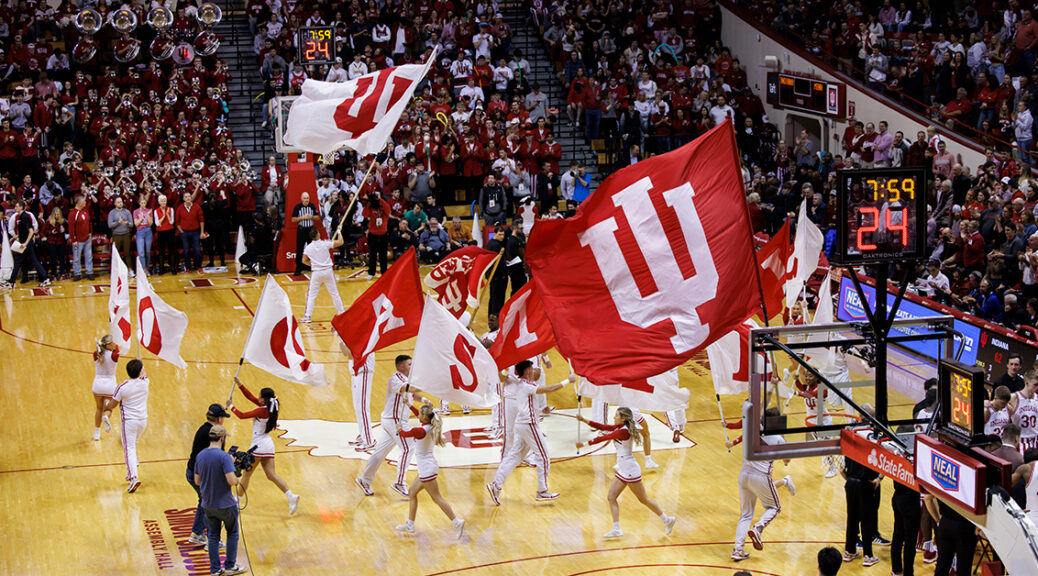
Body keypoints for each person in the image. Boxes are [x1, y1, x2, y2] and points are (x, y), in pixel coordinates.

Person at [575, 407, 677, 538]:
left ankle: (667, 520)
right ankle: (616, 528)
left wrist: (583, 444)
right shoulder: (620, 427)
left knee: (643, 499)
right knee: (611, 497)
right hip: (624, 469)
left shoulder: (622, 432)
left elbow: (604, 437)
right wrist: (584, 420)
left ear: (623, 418)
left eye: (616, 415)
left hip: (630, 470)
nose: (614, 417)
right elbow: (602, 426)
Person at [486, 360, 568, 504]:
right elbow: (549, 389)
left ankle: (496, 485)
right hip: (528, 424)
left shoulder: (518, 384)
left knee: (514, 456)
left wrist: (542, 409)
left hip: (522, 423)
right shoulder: (526, 385)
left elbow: (527, 404)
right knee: (543, 456)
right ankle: (542, 491)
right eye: (531, 368)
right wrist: (568, 381)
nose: (534, 371)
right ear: (527, 371)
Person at [728, 407, 796, 561]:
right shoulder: (778, 438)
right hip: (761, 476)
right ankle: (758, 528)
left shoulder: (753, 429)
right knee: (775, 507)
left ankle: (738, 549)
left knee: (745, 515)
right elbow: (787, 461)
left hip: (744, 474)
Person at [356, 355, 429, 497]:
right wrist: (428, 384)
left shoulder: (407, 379)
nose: (411, 366)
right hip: (395, 422)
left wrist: (424, 399)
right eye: (409, 364)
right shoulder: (395, 379)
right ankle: (399, 482)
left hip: (393, 421)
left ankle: (364, 480)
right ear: (401, 367)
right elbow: (407, 388)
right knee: (408, 447)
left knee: (380, 453)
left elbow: (412, 393)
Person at [228, 377, 301, 515]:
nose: (257, 397)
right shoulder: (269, 407)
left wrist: (231, 406)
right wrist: (239, 384)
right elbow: (250, 397)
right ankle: (291, 496)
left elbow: (242, 415)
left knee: (246, 475)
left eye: (259, 396)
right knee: (271, 475)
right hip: (267, 444)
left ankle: (236, 501)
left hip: (259, 445)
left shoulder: (262, 410)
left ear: (263, 399)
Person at [394, 405, 466, 538]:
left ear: (425, 417)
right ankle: (410, 524)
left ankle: (457, 522)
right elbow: (419, 414)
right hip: (427, 467)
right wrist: (409, 405)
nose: (418, 416)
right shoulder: (429, 426)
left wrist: (398, 428)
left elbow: (404, 434)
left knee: (436, 498)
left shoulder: (420, 431)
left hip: (426, 469)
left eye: (420, 415)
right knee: (412, 492)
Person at [193, 424, 247, 576]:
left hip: (208, 505)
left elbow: (197, 480)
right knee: (232, 532)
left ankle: (215, 569)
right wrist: (237, 477)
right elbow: (231, 481)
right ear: (222, 439)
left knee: (213, 536)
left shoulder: (201, 455)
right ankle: (230, 565)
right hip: (225, 504)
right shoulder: (224, 457)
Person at [187, 404, 231, 549]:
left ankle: (198, 533)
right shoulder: (214, 433)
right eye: (223, 417)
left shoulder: (203, 428)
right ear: (219, 418)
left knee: (204, 501)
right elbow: (216, 457)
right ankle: (212, 539)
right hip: (198, 474)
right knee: (210, 504)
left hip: (193, 471)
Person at [105, 359, 149, 493]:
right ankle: (132, 466)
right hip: (143, 421)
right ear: (140, 371)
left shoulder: (122, 387)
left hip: (129, 421)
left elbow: (112, 405)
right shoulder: (145, 383)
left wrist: (106, 405)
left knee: (129, 449)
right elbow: (144, 373)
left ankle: (133, 477)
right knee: (133, 446)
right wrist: (141, 365)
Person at [842, 446, 881, 566]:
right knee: (866, 520)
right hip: (864, 485)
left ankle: (849, 551)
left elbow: (841, 469)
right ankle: (868, 555)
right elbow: (875, 473)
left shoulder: (850, 449)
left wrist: (850, 480)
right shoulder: (868, 449)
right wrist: (878, 480)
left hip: (850, 484)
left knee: (852, 519)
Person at [890, 427, 921, 576]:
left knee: (897, 535)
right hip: (910, 500)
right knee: (910, 541)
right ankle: (908, 573)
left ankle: (896, 570)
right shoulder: (914, 457)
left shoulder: (894, 453)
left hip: (897, 497)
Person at [924, 493, 977, 576]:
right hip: (965, 525)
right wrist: (978, 527)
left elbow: (927, 498)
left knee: (941, 566)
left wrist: (938, 520)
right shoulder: (969, 482)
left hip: (945, 523)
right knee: (964, 569)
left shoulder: (944, 479)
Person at [3, 200, 50, 288]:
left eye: (17, 206)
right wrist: (15, 237)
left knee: (18, 261)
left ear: (21, 207)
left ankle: (11, 282)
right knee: (33, 261)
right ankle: (45, 278)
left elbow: (31, 231)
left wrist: (25, 243)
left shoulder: (25, 217)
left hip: (25, 244)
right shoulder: (20, 217)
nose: (15, 208)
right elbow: (23, 231)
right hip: (24, 243)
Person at [300, 228, 345, 323]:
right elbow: (341, 242)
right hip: (328, 271)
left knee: (311, 295)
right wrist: (339, 232)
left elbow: (304, 261)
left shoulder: (308, 248)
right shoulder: (325, 243)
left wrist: (313, 264)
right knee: (334, 293)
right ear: (318, 235)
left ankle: (307, 316)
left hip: (316, 272)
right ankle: (342, 313)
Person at [344, 345, 376, 451]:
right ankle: (363, 436)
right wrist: (339, 336)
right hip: (356, 372)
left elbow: (349, 353)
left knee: (362, 407)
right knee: (358, 406)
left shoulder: (364, 335)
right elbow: (346, 353)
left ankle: (369, 440)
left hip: (364, 371)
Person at [91, 335, 118, 441]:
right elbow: (117, 348)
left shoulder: (96, 354)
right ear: (109, 344)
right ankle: (106, 417)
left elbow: (100, 350)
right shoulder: (114, 355)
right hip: (110, 386)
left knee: (98, 408)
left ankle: (96, 433)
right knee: (108, 408)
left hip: (98, 384)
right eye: (113, 342)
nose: (115, 344)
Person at [362, 191, 391, 279]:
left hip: (383, 234)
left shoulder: (384, 207)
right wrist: (369, 203)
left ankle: (384, 272)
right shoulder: (371, 208)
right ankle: (371, 273)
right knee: (372, 255)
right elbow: (365, 214)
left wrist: (379, 199)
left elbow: (388, 208)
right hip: (373, 234)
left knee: (383, 255)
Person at [176, 191, 205, 273]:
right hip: (185, 232)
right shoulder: (180, 208)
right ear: (183, 198)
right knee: (186, 251)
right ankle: (188, 268)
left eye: (189, 196)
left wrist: (202, 232)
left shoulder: (197, 207)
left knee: (197, 250)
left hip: (195, 232)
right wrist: (182, 232)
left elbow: (201, 220)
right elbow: (177, 222)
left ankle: (198, 267)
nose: (188, 198)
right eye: (186, 197)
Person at [291, 192, 319, 275]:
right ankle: (298, 268)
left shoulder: (312, 206)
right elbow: (293, 219)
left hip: (310, 230)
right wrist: (302, 218)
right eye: (305, 198)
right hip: (301, 230)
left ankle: (313, 267)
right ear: (301, 199)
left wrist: (311, 217)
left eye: (307, 198)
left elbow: (317, 217)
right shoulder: (297, 207)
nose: (306, 200)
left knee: (312, 249)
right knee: (299, 249)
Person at [1010, 370, 1038, 452]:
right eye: (1035, 385)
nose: (1037, 387)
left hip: (1035, 439)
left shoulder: (1037, 398)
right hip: (1020, 440)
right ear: (1027, 383)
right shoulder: (1014, 398)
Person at [69, 194, 94, 281]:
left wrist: (90, 232)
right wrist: (73, 239)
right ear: (79, 203)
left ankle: (89, 272)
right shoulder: (73, 213)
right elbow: (71, 228)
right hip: (78, 240)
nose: (85, 202)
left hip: (87, 238)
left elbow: (89, 222)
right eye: (84, 201)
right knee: (76, 257)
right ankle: (77, 273)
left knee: (89, 256)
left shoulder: (85, 211)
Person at [107, 196, 134, 273]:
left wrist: (127, 223)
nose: (120, 203)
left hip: (126, 234)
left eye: (121, 202)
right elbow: (110, 225)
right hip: (116, 235)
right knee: (116, 254)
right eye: (118, 202)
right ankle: (116, 271)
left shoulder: (127, 212)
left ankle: (130, 269)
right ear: (115, 203)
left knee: (127, 253)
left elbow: (131, 224)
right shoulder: (112, 213)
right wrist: (118, 222)